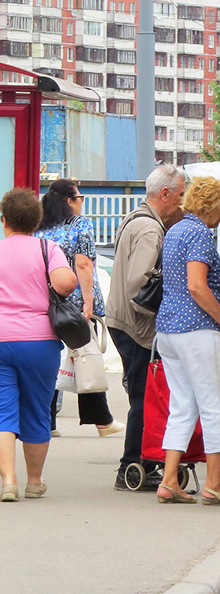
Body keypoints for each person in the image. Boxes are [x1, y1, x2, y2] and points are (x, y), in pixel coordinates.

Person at [154, 177, 220, 506]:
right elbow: (197, 286)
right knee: (214, 406)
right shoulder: (199, 234)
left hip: (167, 330)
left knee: (182, 406)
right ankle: (214, 483)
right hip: (198, 329)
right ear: (208, 205)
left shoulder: (175, 229)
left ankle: (168, 481)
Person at [107, 165, 186, 491]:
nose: (182, 202)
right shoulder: (151, 230)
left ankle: (141, 462)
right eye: (180, 195)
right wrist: (162, 314)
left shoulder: (135, 218)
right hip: (135, 326)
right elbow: (138, 284)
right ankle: (133, 465)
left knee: (142, 395)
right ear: (164, 194)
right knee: (143, 397)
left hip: (123, 320)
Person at [0, 188, 78, 502]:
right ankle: (34, 481)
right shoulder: (48, 248)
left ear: (4, 221)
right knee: (36, 410)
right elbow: (65, 283)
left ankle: (9, 479)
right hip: (39, 340)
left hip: (1, 338)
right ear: (37, 220)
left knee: (3, 413)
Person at [35, 179, 124, 438]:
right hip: (74, 305)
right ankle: (103, 420)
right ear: (69, 201)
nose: (82, 202)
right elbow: (83, 264)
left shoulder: (40, 227)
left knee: (54, 361)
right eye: (80, 197)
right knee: (87, 358)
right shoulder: (80, 224)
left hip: (46, 302)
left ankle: (47, 421)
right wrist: (88, 302)